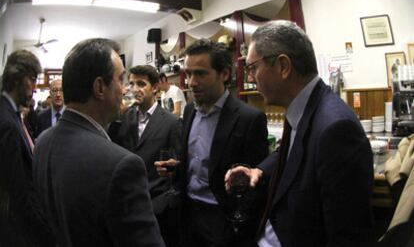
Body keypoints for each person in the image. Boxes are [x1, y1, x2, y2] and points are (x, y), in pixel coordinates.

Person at [225, 20, 374, 246]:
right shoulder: (304, 109)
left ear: (283, 66)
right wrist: (259, 170)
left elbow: (348, 237)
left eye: (253, 68)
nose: (251, 78)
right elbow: (295, 149)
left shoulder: (336, 130)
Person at [33, 38, 164, 246]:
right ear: (99, 88)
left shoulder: (42, 142)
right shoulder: (122, 165)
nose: (125, 90)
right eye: (121, 80)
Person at [156, 39, 268, 246]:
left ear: (224, 74)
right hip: (186, 212)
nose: (191, 82)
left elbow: (257, 179)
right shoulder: (189, 111)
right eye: (188, 74)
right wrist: (176, 167)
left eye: (200, 73)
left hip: (222, 219)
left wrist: (239, 223)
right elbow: (196, 161)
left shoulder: (249, 118)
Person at [108, 65, 182, 247]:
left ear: (155, 87)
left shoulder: (172, 122)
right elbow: (112, 151)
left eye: (141, 84)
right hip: (127, 202)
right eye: (131, 84)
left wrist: (167, 201)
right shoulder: (124, 118)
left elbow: (179, 166)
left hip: (158, 206)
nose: (135, 89)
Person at [0, 50, 55, 246]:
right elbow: (17, 191)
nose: (34, 87)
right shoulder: (6, 122)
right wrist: (45, 234)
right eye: (31, 79)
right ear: (16, 78)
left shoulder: (12, 114)